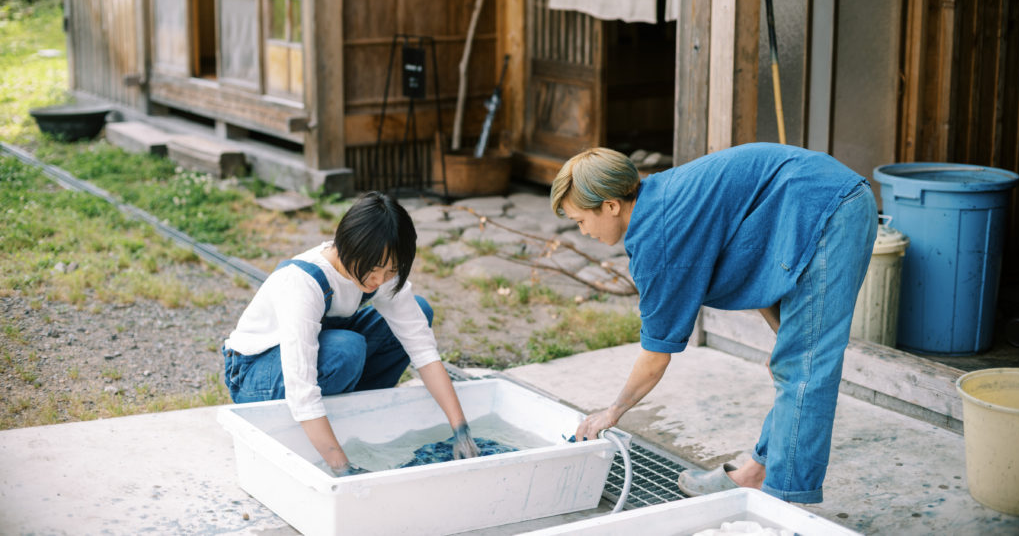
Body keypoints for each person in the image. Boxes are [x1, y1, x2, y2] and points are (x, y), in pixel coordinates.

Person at [550, 143, 876, 504]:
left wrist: (613, 412)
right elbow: (756, 260)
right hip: (808, 203)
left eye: (580, 220)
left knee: (804, 371)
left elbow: (656, 356)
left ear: (611, 206)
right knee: (790, 361)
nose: (581, 231)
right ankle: (758, 473)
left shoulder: (660, 239)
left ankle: (787, 506)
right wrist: (782, 334)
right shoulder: (659, 198)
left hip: (830, 207)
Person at [222, 191, 479, 475]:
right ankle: (325, 435)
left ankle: (352, 413)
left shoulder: (378, 274)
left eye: (392, 270)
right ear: (348, 246)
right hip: (253, 374)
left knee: (419, 309)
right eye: (374, 269)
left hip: (318, 353)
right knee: (347, 349)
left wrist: (461, 429)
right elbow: (302, 390)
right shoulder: (302, 283)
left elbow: (423, 350)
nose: (379, 280)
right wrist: (344, 471)